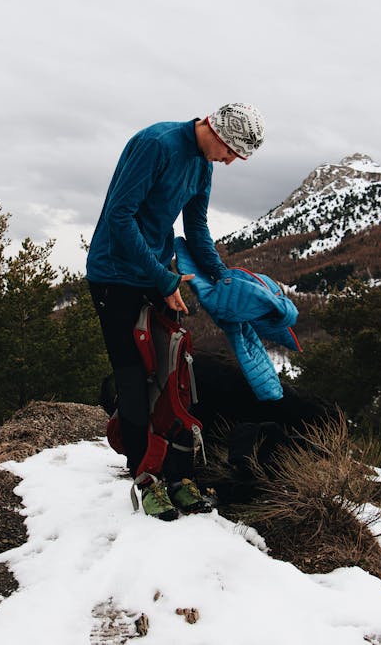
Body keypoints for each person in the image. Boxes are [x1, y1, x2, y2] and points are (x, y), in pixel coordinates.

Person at [87, 103, 265, 520]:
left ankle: (178, 476)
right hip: (114, 272)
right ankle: (145, 478)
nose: (232, 160)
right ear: (217, 132)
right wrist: (164, 280)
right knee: (133, 376)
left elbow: (196, 228)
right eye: (233, 151)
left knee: (173, 372)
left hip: (153, 272)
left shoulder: (204, 165)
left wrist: (222, 277)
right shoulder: (157, 144)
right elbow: (120, 215)